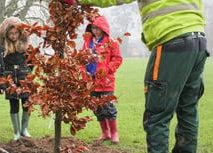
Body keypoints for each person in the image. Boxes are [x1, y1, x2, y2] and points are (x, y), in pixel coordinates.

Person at [63, 0, 209, 152]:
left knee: (157, 115)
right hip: (198, 40)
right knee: (188, 110)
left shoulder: (109, 42)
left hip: (172, 41)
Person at [81, 15, 122, 143]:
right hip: (91, 80)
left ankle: (114, 133)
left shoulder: (111, 42)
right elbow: (82, 58)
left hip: (106, 81)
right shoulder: (88, 42)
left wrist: (107, 69)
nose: (95, 31)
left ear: (103, 28)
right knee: (96, 107)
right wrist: (84, 72)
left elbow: (117, 59)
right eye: (93, 28)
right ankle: (105, 133)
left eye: (97, 28)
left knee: (108, 106)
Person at [0, 17, 32, 140]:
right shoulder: (3, 50)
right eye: (11, 33)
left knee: (26, 103)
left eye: (16, 33)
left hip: (24, 78)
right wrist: (4, 80)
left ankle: (24, 129)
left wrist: (27, 73)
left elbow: (32, 62)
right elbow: (1, 65)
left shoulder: (26, 47)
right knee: (14, 104)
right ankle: (16, 132)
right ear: (6, 34)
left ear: (20, 33)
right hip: (10, 79)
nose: (14, 36)